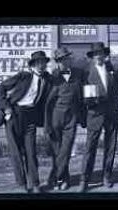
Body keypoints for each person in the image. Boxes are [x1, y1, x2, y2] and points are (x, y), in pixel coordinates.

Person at [0, 51, 53, 193]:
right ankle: (21, 184)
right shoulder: (23, 76)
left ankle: (35, 183)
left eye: (43, 63)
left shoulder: (47, 79)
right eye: (38, 63)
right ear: (32, 65)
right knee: (16, 152)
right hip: (14, 114)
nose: (41, 65)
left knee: (31, 152)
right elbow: (1, 88)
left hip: (31, 117)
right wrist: (6, 107)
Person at [79, 42, 118, 192]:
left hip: (112, 113)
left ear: (105, 55)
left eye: (102, 53)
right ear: (92, 57)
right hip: (94, 114)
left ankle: (107, 176)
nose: (99, 56)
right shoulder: (86, 72)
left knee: (110, 146)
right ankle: (84, 180)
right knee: (90, 148)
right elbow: (82, 94)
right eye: (96, 54)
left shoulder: (113, 68)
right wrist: (90, 102)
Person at [41, 47, 86, 191]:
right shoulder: (52, 77)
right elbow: (47, 104)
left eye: (66, 59)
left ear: (69, 59)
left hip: (71, 118)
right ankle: (64, 179)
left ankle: (53, 178)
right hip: (55, 118)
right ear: (57, 62)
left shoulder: (78, 74)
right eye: (61, 60)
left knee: (65, 150)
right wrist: (47, 124)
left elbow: (83, 95)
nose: (64, 62)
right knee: (57, 152)